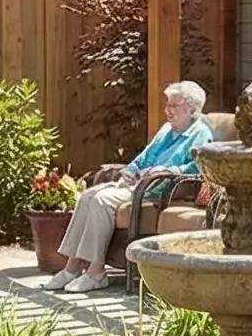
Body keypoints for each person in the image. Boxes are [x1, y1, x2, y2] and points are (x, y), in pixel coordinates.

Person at [50, 80, 212, 293]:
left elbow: (199, 167)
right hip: (137, 184)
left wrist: (168, 171)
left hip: (157, 190)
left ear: (191, 108)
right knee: (87, 196)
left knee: (101, 200)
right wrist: (130, 170)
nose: (167, 110)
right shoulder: (166, 130)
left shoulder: (200, 134)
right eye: (167, 104)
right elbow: (143, 157)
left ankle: (96, 272)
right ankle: (71, 268)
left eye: (174, 105)